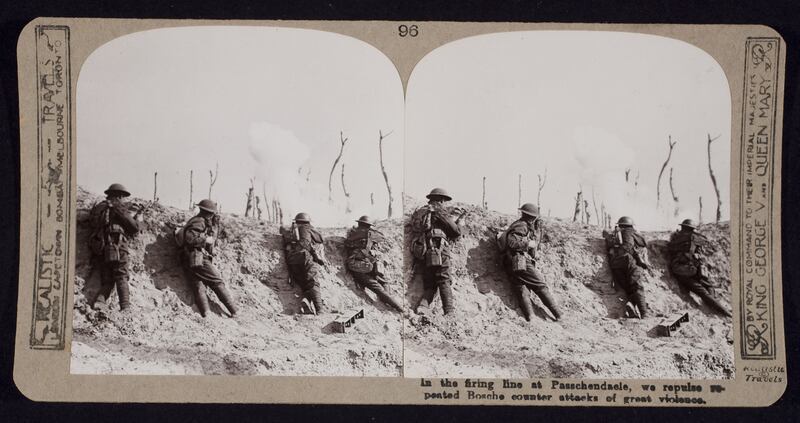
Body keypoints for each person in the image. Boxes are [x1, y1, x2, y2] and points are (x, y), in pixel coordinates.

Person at [501, 203, 562, 322]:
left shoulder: (522, 225)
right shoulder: (521, 225)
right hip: (519, 260)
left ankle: (531, 317)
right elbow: (512, 243)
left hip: (511, 261)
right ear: (533, 217)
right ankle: (559, 315)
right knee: (540, 285)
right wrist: (528, 244)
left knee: (522, 288)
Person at [88, 183, 140, 313]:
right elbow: (134, 227)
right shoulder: (117, 207)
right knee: (121, 276)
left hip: (101, 248)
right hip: (117, 246)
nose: (124, 200)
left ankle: (99, 302)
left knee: (107, 280)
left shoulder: (100, 207)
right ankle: (125, 308)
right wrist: (139, 218)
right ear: (119, 196)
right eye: (124, 197)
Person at [409, 188, 463, 315]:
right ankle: (449, 313)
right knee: (444, 279)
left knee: (430, 283)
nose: (445, 204)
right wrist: (460, 223)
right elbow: (455, 232)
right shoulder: (438, 210)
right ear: (441, 200)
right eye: (444, 201)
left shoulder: (422, 211)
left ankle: (422, 307)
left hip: (423, 250)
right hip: (439, 249)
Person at [181, 199, 238, 318]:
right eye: (212, 213)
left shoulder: (198, 221)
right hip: (196, 256)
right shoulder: (199, 221)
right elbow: (190, 238)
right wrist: (206, 240)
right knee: (216, 281)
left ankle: (206, 314)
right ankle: (234, 311)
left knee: (198, 284)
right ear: (209, 213)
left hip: (188, 257)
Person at [667, 219, 732, 317]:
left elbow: (670, 248)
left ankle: (719, 309)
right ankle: (722, 310)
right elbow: (705, 242)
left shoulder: (676, 238)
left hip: (681, 271)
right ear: (692, 229)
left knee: (703, 292)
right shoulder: (696, 238)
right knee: (707, 288)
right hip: (693, 269)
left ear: (683, 227)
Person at [344, 215, 403, 312]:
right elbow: (382, 237)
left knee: (377, 287)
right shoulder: (371, 233)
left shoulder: (352, 233)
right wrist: (371, 232)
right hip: (365, 265)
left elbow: (347, 243)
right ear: (368, 225)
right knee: (381, 285)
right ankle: (398, 307)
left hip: (357, 266)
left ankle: (388, 301)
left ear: (359, 223)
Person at [603, 216, 649, 319]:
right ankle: (644, 313)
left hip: (615, 264)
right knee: (637, 287)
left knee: (627, 288)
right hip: (630, 262)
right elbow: (640, 243)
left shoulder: (614, 234)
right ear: (630, 225)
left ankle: (631, 306)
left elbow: (608, 247)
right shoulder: (630, 232)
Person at [281, 212, 327, 314]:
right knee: (313, 282)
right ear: (307, 221)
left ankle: (306, 301)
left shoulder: (291, 231)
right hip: (305, 257)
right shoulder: (306, 228)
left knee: (305, 284)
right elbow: (316, 240)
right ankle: (320, 310)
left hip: (292, 261)